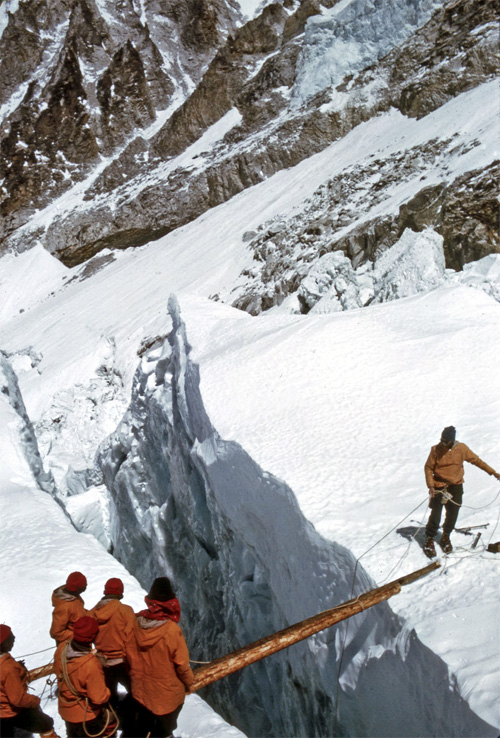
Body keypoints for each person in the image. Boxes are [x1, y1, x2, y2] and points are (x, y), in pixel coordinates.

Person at [124, 577, 194, 738]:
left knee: (143, 726)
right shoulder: (171, 630)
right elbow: (182, 666)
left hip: (141, 692)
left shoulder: (135, 622)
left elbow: (126, 655)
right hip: (166, 698)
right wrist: (189, 683)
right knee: (163, 731)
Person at [424, 426, 500, 556]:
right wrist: (431, 486)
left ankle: (446, 536)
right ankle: (430, 539)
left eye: (445, 441)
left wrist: (493, 472)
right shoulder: (435, 450)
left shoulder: (461, 449)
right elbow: (428, 467)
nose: (442, 443)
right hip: (439, 486)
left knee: (453, 513)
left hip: (455, 486)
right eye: (441, 440)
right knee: (436, 513)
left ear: (452, 441)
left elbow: (477, 461)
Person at [54, 616, 116, 737]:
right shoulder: (90, 664)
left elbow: (58, 671)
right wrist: (107, 692)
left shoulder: (62, 648)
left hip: (67, 710)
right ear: (92, 637)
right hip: (86, 715)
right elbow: (99, 698)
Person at [0, 624, 59, 738]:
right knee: (45, 723)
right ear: (2, 644)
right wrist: (34, 701)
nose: (14, 638)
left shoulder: (5, 662)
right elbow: (18, 699)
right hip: (11, 712)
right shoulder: (7, 668)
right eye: (10, 637)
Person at [89, 578, 135, 705]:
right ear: (120, 594)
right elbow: (132, 638)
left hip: (102, 662)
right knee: (135, 692)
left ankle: (111, 718)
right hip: (122, 662)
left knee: (109, 695)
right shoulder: (126, 611)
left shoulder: (91, 613)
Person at [50, 572, 88, 645]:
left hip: (80, 642)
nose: (85, 588)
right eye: (84, 586)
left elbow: (76, 611)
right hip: (71, 647)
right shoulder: (64, 607)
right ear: (78, 588)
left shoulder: (73, 596)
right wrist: (78, 636)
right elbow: (56, 632)